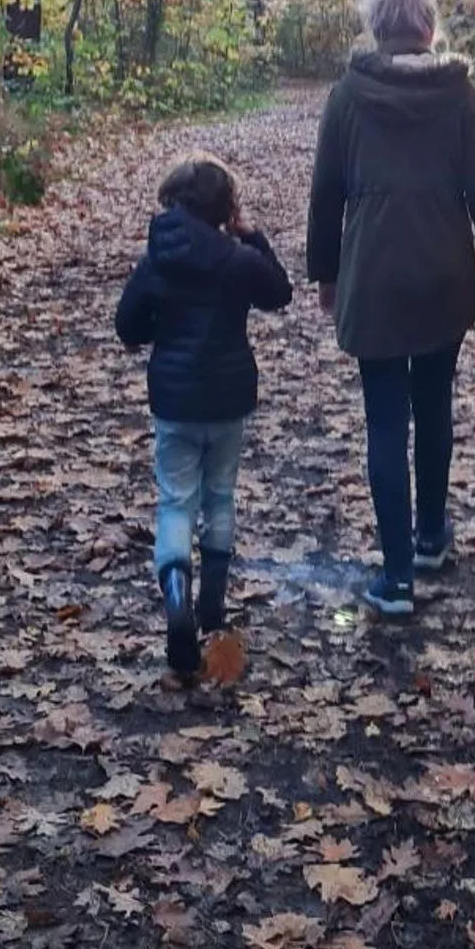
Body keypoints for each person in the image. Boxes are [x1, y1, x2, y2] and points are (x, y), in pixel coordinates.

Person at [306, 0, 475, 618]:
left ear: (376, 23)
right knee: (433, 405)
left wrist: (327, 274)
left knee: (384, 420)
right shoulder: (457, 94)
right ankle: (431, 536)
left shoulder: (348, 95)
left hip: (374, 277)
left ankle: (396, 578)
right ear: (428, 23)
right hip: (443, 275)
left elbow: (326, 194)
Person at [116, 155, 292, 676]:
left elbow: (128, 326)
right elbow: (279, 292)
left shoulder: (157, 260)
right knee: (219, 495)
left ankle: (176, 597)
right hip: (228, 398)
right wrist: (253, 236)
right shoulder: (237, 259)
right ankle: (211, 603)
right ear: (226, 209)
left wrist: (160, 331)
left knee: (175, 502)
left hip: (175, 401)